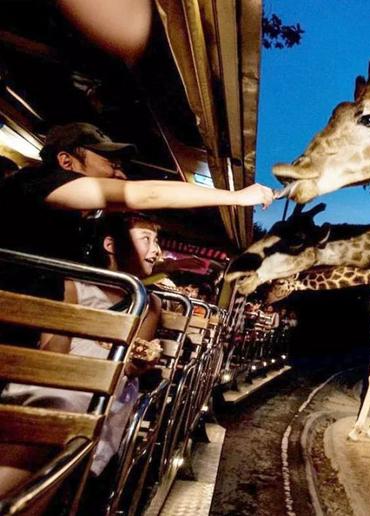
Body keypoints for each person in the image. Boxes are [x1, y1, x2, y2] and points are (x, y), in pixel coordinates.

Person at [0, 122, 273, 343]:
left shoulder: (84, 222)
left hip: (36, 323)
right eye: (112, 164)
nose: (120, 175)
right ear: (67, 161)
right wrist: (235, 196)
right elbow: (145, 194)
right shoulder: (37, 182)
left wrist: (172, 264)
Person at [0, 212, 164, 499]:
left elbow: (129, 367)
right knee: (54, 404)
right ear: (110, 245)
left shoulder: (148, 303)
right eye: (146, 239)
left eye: (156, 241)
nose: (156, 250)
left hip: (107, 387)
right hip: (57, 376)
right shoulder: (75, 285)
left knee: (66, 413)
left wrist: (140, 361)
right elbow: (54, 354)